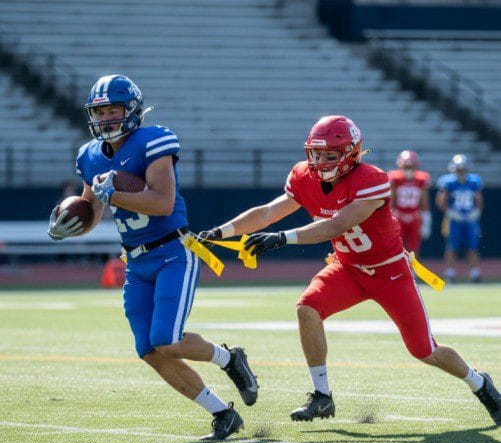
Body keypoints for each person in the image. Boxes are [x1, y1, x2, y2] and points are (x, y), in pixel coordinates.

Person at [200, 115, 500, 426]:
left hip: (389, 273)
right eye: (316, 153)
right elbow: (267, 212)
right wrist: (221, 231)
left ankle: (480, 384)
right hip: (348, 268)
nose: (320, 161)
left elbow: (338, 223)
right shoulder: (304, 176)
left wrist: (282, 238)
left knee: (425, 350)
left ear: (351, 153)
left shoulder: (372, 179)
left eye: (330, 155)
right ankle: (322, 396)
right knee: (307, 308)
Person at [47, 74, 258, 440]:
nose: (106, 118)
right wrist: (68, 226)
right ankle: (222, 413)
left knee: (166, 338)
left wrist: (114, 194)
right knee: (149, 349)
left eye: (113, 109)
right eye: (100, 111)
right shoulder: (89, 156)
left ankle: (229, 359)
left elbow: (162, 201)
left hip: (172, 251)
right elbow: (92, 211)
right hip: (135, 261)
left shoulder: (154, 140)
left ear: (131, 110)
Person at [436, 154, 484, 283]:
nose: (461, 172)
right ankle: (449, 273)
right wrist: (449, 212)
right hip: (453, 219)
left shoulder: (474, 181)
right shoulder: (448, 182)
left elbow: (479, 199)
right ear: (454, 169)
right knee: (452, 246)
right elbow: (441, 201)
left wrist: (477, 211)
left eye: (463, 169)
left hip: (470, 218)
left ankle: (475, 273)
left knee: (472, 246)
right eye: (459, 169)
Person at [388, 150, 431, 256]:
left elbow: (424, 201)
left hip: (415, 216)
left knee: (414, 248)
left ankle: (412, 270)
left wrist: (427, 220)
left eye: (410, 167)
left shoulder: (422, 179)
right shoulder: (395, 178)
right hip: (399, 216)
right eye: (406, 167)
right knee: (397, 246)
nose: (408, 170)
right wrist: (388, 217)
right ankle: (399, 269)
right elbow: (391, 200)